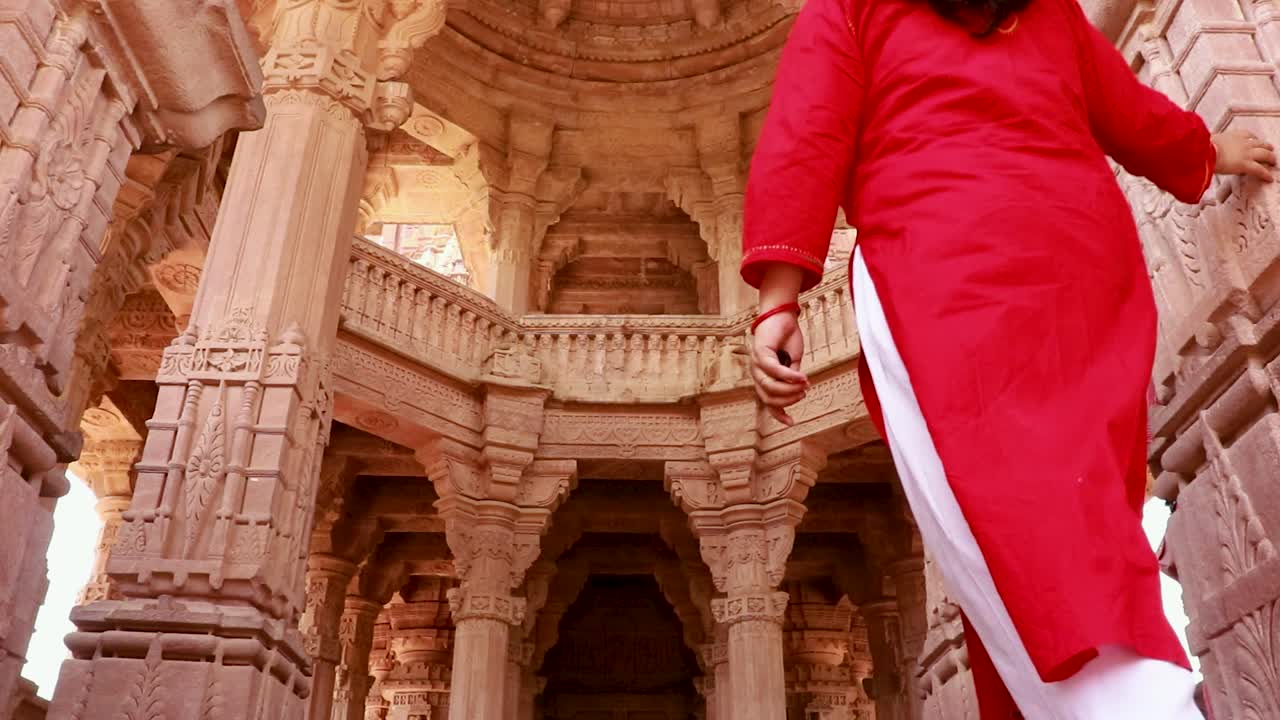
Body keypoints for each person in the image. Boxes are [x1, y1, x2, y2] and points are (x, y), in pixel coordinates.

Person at [739, 0, 1276, 717]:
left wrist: (780, 298)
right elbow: (1128, 109)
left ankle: (1149, 706)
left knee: (1016, 528)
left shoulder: (851, 6)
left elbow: (807, 134)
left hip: (940, 275)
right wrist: (1209, 152)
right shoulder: (1048, 9)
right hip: (1081, 267)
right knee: (1082, 510)